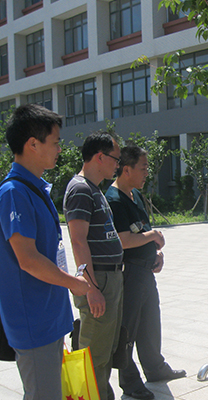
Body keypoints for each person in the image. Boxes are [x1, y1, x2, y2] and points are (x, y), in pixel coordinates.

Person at [0, 104, 90, 400]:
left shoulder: (34, 188)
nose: (59, 149)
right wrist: (74, 283)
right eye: (55, 142)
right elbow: (27, 259)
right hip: (33, 321)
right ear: (33, 144)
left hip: (47, 316)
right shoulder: (14, 193)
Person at [105, 144, 185, 400]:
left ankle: (155, 368)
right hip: (128, 273)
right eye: (143, 168)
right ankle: (129, 381)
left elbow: (140, 229)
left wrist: (155, 254)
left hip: (145, 270)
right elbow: (123, 239)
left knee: (150, 322)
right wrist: (152, 236)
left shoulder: (135, 195)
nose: (147, 173)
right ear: (126, 169)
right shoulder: (114, 199)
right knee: (128, 328)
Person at [63, 131, 124, 400]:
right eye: (115, 159)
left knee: (105, 351)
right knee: (94, 356)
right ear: (100, 157)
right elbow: (78, 241)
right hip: (98, 279)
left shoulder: (93, 189)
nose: (118, 165)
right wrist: (91, 288)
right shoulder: (80, 189)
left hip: (109, 278)